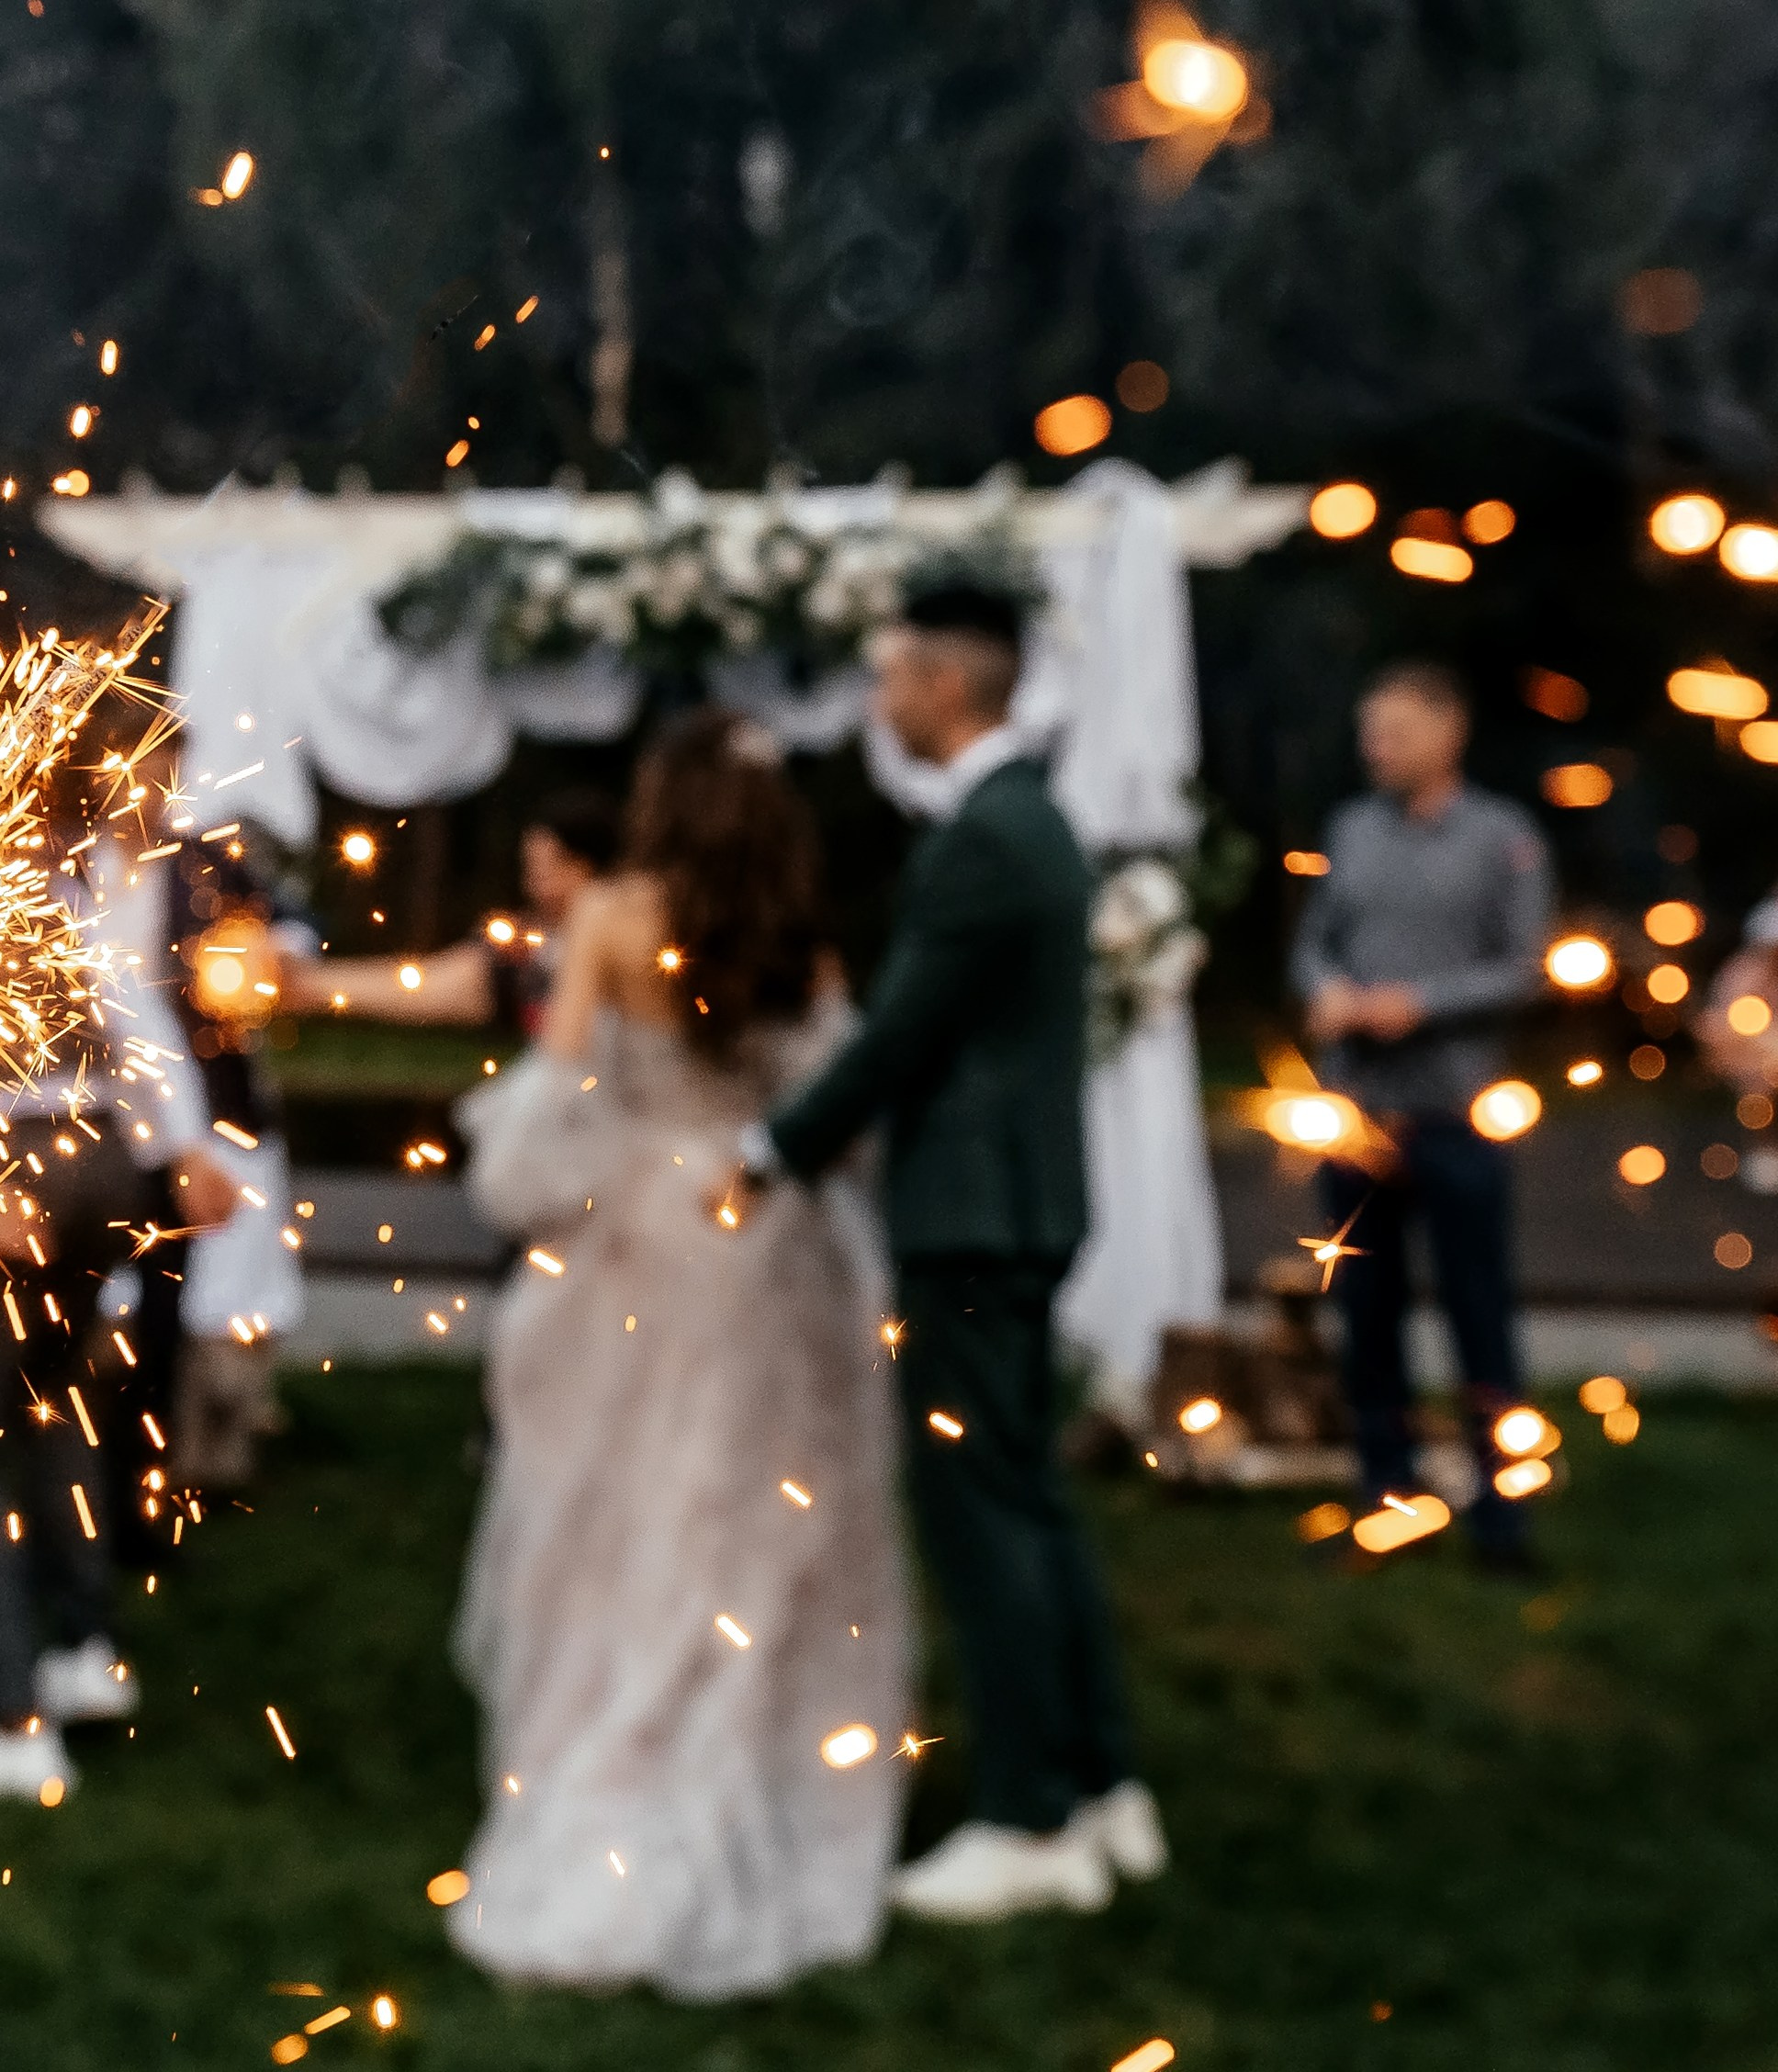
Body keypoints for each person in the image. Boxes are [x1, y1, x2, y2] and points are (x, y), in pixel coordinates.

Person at [447, 712, 908, 2000]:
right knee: (762, 1520)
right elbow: (842, 1103)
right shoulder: (796, 939)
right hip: (769, 1244)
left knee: (624, 1512)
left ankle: (611, 1774)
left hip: (646, 1248)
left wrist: (539, 1184)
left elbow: (552, 1109)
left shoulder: (610, 919)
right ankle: (753, 1761)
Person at [731, 580, 1163, 1925]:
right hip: (1021, 1205)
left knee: (981, 1513)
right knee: (1027, 1496)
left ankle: (1029, 1817)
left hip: (972, 1212)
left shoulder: (985, 835)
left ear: (949, 683)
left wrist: (771, 1152)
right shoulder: (1026, 819)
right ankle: (1099, 1787)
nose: (878, 700)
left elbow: (903, 1030)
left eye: (891, 675)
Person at [0, 783, 244, 1802]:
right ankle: (88, 1653)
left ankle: (13, 1722)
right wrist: (180, 1142)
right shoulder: (64, 886)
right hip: (101, 1157)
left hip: (13, 1156)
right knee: (57, 1411)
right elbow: (133, 1009)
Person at [1290, 660, 1553, 1570]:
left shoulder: (1500, 838)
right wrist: (1326, 990)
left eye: (1393, 732)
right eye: (1370, 731)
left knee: (1479, 1311)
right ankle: (1386, 1495)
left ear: (1448, 733)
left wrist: (1419, 1002)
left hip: (1454, 1113)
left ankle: (1499, 1515)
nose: (1375, 747)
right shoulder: (1350, 829)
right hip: (1357, 1115)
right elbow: (1314, 939)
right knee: (1366, 1310)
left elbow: (1523, 967)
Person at [283, 788, 618, 1032]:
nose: (533, 884)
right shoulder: (522, 943)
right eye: (529, 868)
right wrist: (310, 983)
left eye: (547, 868)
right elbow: (428, 985)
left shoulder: (608, 943)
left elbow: (444, 988)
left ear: (584, 867)